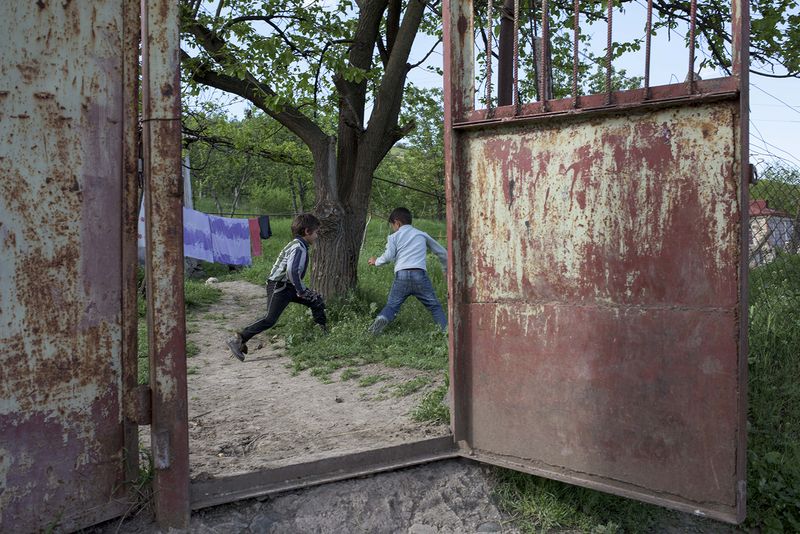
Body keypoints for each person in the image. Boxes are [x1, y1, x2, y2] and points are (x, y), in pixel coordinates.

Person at [227, 213, 327, 361]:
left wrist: (301, 290)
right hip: (279, 286)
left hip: (289, 285)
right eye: (316, 232)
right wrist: (301, 290)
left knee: (316, 300)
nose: (317, 236)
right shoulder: (298, 247)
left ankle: (323, 336)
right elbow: (292, 271)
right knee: (270, 319)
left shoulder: (300, 245)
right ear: (307, 231)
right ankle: (238, 338)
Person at [367, 207, 448, 334]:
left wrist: (376, 261)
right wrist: (445, 269)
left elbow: (388, 256)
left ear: (397, 223)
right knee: (434, 306)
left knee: (391, 306)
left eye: (392, 225)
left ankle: (379, 322)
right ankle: (446, 332)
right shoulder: (421, 234)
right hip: (419, 275)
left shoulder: (393, 237)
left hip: (402, 276)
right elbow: (443, 253)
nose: (393, 228)